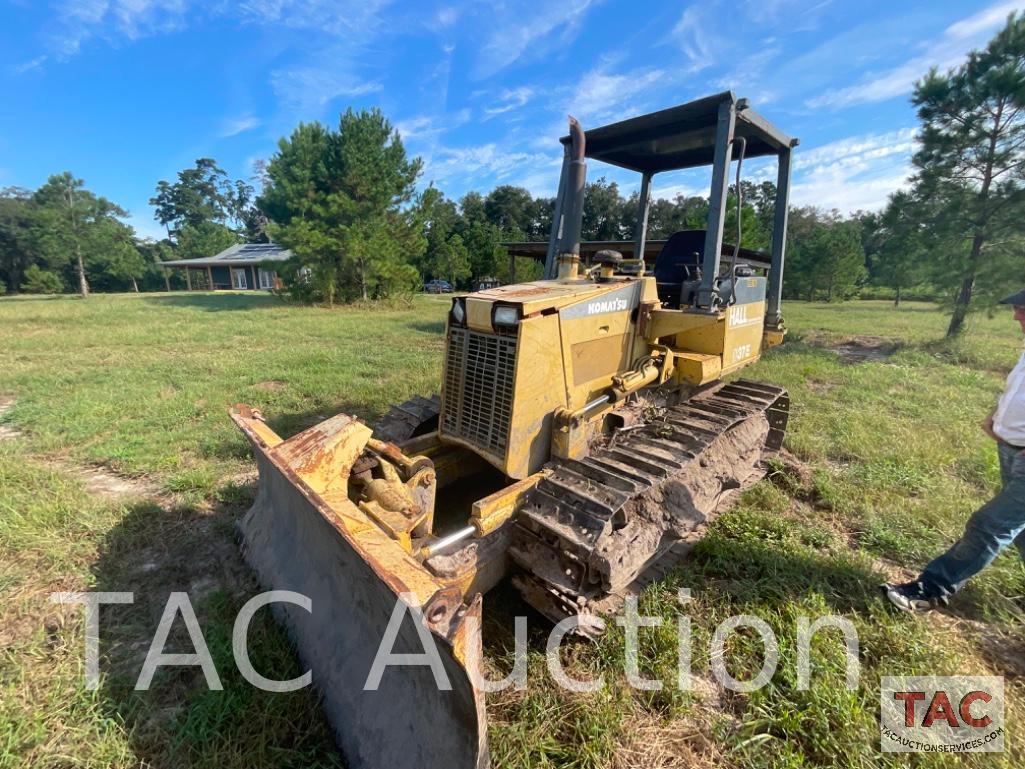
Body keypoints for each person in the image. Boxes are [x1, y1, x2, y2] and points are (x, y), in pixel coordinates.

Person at [883, 290, 1025, 612]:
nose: (1016, 316)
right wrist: (999, 416)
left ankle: (929, 589)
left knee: (990, 525)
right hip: (1011, 449)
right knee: (1018, 529)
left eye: (1021, 309)